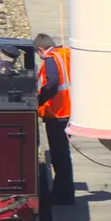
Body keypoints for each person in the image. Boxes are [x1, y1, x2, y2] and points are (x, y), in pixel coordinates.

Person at [35, 34, 74, 205]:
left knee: (59, 156)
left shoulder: (51, 59)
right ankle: (65, 192)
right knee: (63, 154)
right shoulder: (66, 54)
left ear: (41, 50)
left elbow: (51, 84)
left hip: (58, 113)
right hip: (70, 111)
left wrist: (39, 100)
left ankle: (63, 195)